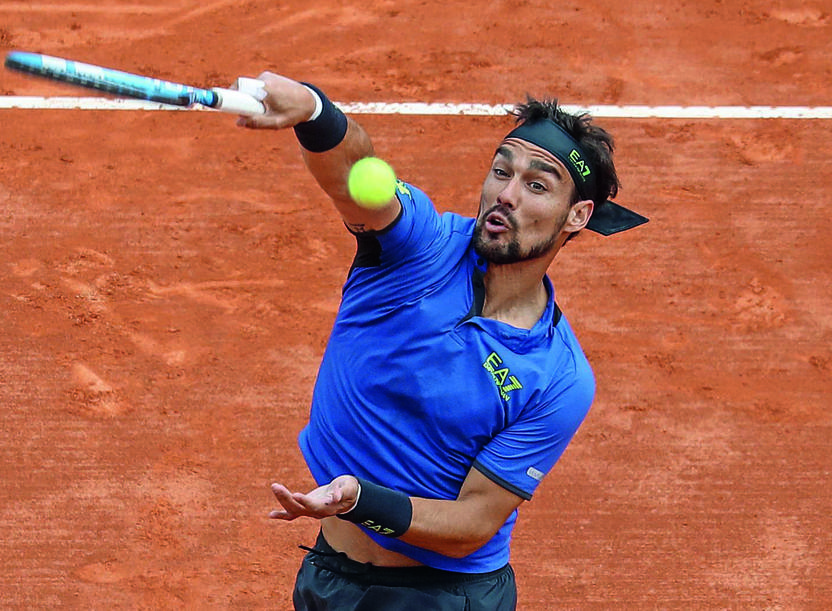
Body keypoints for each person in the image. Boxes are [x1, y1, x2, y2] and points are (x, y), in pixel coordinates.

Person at [236, 73, 646, 610]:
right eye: (502, 171)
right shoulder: (422, 248)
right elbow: (357, 175)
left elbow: (473, 523)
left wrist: (360, 500)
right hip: (330, 578)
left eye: (537, 185)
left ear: (578, 216)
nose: (506, 194)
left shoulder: (559, 378)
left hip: (446, 598)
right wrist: (316, 112)